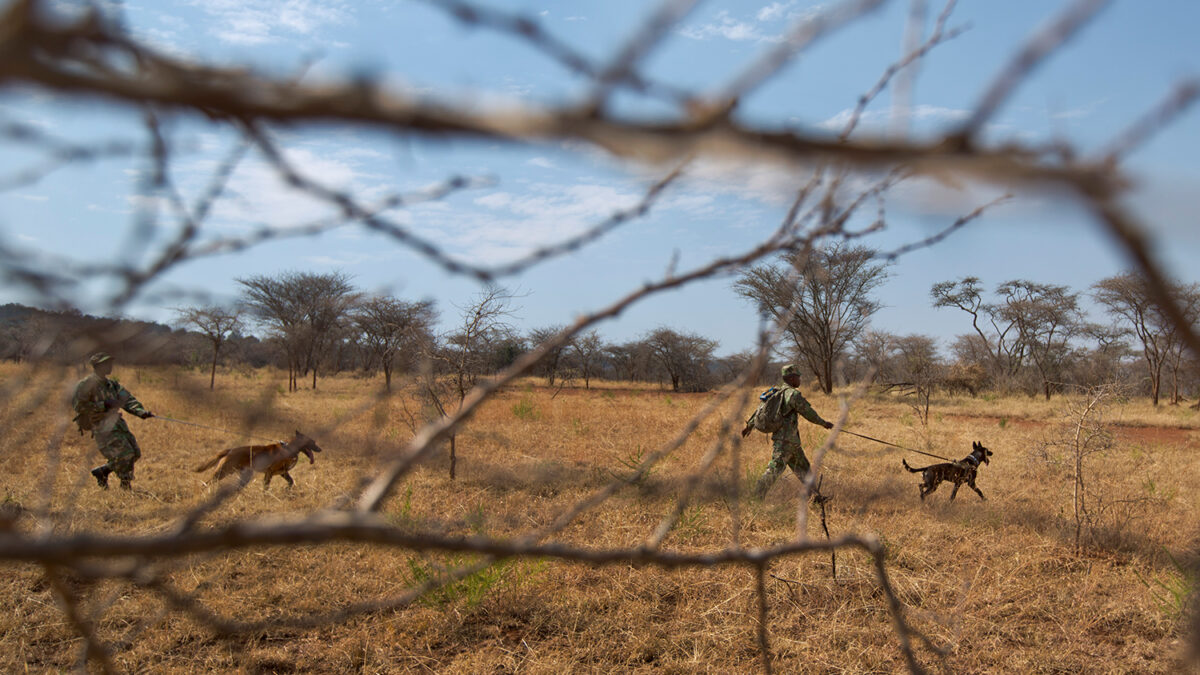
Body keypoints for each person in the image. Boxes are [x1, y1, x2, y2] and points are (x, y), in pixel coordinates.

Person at [742, 363, 833, 499]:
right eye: (798, 377)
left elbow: (758, 411)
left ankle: (815, 497)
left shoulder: (776, 392)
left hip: (791, 441)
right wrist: (823, 423)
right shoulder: (793, 394)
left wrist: (749, 426)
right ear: (791, 378)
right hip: (785, 442)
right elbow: (808, 412)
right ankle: (756, 497)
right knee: (775, 468)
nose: (799, 380)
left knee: (804, 469)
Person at [71, 352, 154, 490]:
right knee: (125, 454)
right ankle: (125, 486)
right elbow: (79, 406)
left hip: (117, 424)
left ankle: (102, 471)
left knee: (135, 453)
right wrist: (103, 405)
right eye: (106, 363)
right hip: (101, 426)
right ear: (97, 366)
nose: (110, 366)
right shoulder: (85, 384)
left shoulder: (112, 385)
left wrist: (140, 411)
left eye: (110, 363)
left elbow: (127, 399)